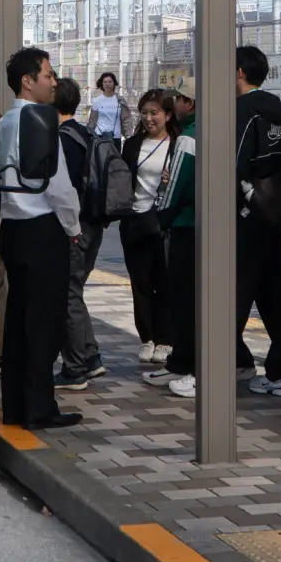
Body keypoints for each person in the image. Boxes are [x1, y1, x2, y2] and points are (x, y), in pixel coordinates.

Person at [0, 46, 83, 431]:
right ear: (28, 82)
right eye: (48, 75)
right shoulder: (42, 122)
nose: (54, 81)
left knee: (18, 319)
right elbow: (59, 187)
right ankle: (40, 408)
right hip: (42, 229)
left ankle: (14, 406)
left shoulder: (2, 125)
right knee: (43, 323)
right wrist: (73, 227)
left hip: (12, 230)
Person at [234, 46, 281, 398]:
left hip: (245, 217)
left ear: (240, 73)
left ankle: (217, 365)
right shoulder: (279, 113)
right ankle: (280, 373)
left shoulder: (241, 111)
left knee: (233, 292)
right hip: (275, 214)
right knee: (277, 293)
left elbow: (233, 163)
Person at [144, 81, 204, 396]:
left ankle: (192, 367)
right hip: (208, 227)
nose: (174, 105)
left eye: (177, 99)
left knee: (184, 300)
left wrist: (160, 218)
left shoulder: (189, 139)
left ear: (189, 103)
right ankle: (181, 363)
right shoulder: (214, 130)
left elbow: (173, 188)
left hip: (185, 227)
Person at [52, 77, 107, 392]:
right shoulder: (84, 133)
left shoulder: (62, 139)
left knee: (68, 294)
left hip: (76, 226)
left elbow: (64, 191)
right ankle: (90, 358)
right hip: (93, 223)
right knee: (75, 290)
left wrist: (67, 229)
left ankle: (75, 369)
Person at [120, 88, 180, 365]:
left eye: (154, 113)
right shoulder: (132, 145)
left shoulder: (178, 144)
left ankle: (166, 338)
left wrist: (172, 180)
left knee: (165, 283)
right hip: (134, 221)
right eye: (144, 113)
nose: (148, 119)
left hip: (163, 223)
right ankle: (147, 338)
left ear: (168, 114)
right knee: (140, 283)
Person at [89, 72, 130, 138]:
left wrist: (128, 136)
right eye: (105, 82)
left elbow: (126, 119)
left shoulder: (120, 100)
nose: (107, 84)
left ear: (114, 83)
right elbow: (92, 121)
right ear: (102, 84)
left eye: (110, 82)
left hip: (115, 137)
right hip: (99, 136)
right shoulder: (97, 101)